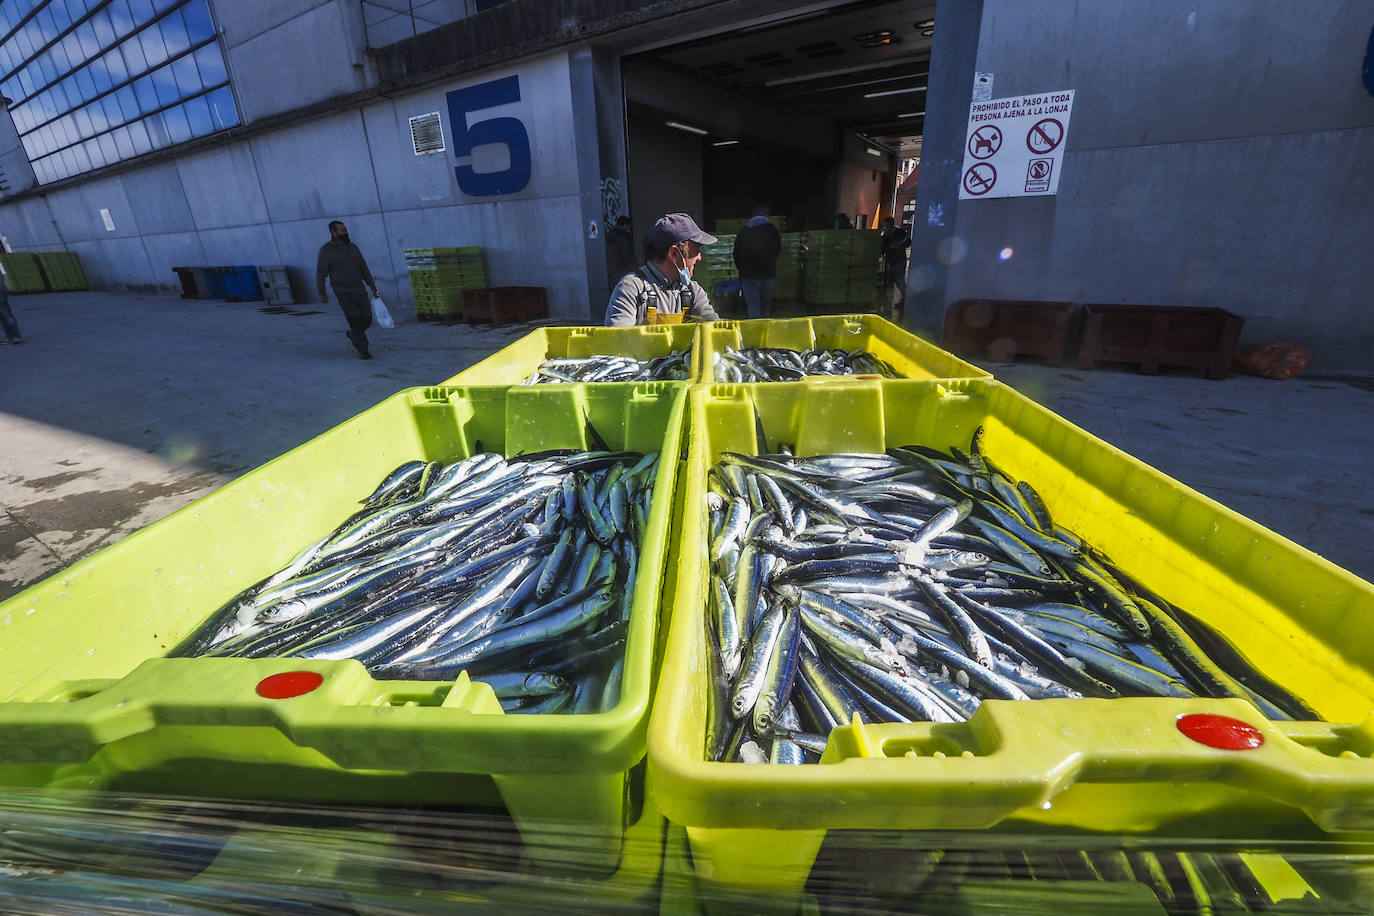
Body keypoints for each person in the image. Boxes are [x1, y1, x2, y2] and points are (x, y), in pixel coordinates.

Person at [604, 213, 721, 326]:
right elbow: (619, 340)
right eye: (696, 250)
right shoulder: (632, 288)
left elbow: (715, 330)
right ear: (674, 254)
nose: (699, 257)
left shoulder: (693, 291)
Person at [316, 220, 379, 360]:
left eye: (345, 230)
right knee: (355, 320)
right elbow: (321, 273)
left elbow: (365, 269)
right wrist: (322, 293)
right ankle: (363, 349)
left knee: (367, 319)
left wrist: (374, 289)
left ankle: (352, 334)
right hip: (343, 292)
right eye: (342, 231)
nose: (345, 233)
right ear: (333, 233)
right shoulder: (326, 251)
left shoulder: (354, 248)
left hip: (360, 290)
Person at [732, 205, 782, 320]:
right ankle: (765, 331)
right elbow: (777, 251)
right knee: (766, 306)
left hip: (749, 276)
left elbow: (736, 254)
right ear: (766, 216)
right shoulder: (772, 231)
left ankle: (755, 332)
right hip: (768, 274)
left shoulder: (744, 231)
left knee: (753, 307)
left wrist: (742, 269)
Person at [880, 216, 912, 303]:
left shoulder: (899, 233)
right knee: (898, 281)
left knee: (900, 280)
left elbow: (908, 242)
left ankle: (906, 300)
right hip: (892, 260)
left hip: (899, 259)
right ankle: (904, 299)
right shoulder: (886, 235)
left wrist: (898, 245)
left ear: (890, 225)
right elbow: (884, 247)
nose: (883, 227)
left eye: (885, 225)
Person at [605, 215, 637, 287]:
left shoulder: (610, 236)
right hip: (623, 272)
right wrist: (635, 270)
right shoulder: (623, 237)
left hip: (612, 272)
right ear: (625, 225)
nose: (629, 228)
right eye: (629, 226)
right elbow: (628, 256)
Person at [0, 264, 21, 345]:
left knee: (4, 315)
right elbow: (3, 276)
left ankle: (12, 336)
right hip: (2, 290)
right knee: (6, 315)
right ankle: (14, 337)